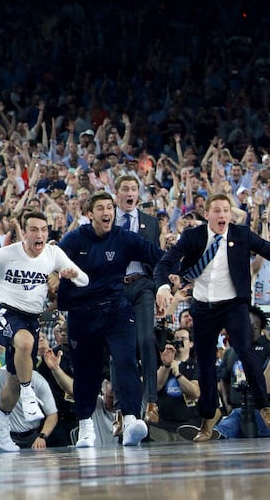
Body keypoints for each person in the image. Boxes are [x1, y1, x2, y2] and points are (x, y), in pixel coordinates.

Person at [0, 211, 89, 452]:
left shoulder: (53, 254)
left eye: (44, 229)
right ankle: (28, 393)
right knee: (24, 343)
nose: (40, 234)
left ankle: (1, 422)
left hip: (32, 318)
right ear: (23, 233)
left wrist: (72, 276)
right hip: (1, 312)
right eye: (33, 229)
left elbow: (84, 280)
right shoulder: (6, 254)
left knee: (13, 377)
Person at [155, 193, 270, 442]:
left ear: (231, 214)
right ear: (207, 215)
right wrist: (163, 287)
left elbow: (266, 249)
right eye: (216, 211)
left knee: (246, 354)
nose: (222, 215)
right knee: (206, 365)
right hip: (204, 307)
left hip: (233, 305)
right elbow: (166, 262)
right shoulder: (193, 237)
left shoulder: (241, 235)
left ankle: (265, 406)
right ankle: (208, 419)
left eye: (226, 211)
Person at [58, 191, 163, 447]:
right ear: (89, 214)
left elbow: (159, 256)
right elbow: (53, 262)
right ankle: (85, 427)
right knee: (86, 372)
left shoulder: (125, 238)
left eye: (110, 208)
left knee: (127, 360)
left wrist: (168, 279)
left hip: (116, 309)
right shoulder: (74, 239)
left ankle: (130, 421)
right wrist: (61, 273)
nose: (107, 212)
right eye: (101, 208)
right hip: (82, 314)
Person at [114, 175, 161, 423]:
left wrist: (162, 288)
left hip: (142, 284)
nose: (130, 192)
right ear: (117, 193)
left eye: (134, 189)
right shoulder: (107, 220)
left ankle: (151, 401)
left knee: (146, 340)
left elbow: (157, 259)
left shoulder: (151, 223)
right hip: (116, 289)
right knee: (120, 348)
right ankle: (122, 411)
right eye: (125, 189)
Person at [149, 330, 201, 441]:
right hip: (163, 425)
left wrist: (178, 375)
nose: (179, 342)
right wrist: (167, 365)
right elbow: (155, 387)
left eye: (183, 339)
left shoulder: (195, 366)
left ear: (191, 343)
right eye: (176, 339)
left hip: (188, 425)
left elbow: (195, 393)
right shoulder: (162, 363)